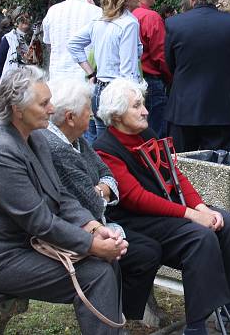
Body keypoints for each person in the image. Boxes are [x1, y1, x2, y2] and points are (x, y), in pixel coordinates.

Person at [0, 66, 125, 335]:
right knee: (96, 274)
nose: (51, 109)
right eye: (44, 103)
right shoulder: (2, 152)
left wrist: (93, 227)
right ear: (17, 110)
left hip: (23, 247)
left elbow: (61, 196)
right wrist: (93, 246)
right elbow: (40, 222)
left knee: (105, 265)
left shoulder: (35, 137)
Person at [93, 78, 230, 335]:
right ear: (117, 115)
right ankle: (196, 327)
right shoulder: (105, 149)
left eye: (143, 104)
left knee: (229, 222)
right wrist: (191, 214)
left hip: (166, 211)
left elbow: (176, 175)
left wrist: (202, 208)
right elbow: (136, 198)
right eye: (137, 106)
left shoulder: (146, 134)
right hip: (136, 221)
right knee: (200, 237)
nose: (146, 111)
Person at [43, 78, 162, 321]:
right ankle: (119, 315)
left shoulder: (75, 140)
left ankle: (125, 314)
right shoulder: (58, 148)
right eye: (88, 109)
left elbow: (106, 174)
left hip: (95, 222)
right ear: (70, 117)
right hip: (77, 231)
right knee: (143, 254)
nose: (93, 114)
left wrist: (100, 188)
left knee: (149, 249)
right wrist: (102, 191)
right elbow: (91, 202)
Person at [165, 0, 230, 152]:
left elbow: (170, 64)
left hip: (184, 106)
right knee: (217, 170)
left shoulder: (175, 24)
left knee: (182, 168)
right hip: (221, 107)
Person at [69, 0, 143, 143]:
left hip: (100, 90)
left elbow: (74, 44)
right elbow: (128, 72)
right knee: (122, 145)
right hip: (118, 93)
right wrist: (136, 101)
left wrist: (90, 73)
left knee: (104, 144)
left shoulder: (100, 21)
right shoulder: (129, 24)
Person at [42, 0, 103, 82]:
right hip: (87, 77)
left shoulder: (53, 11)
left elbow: (48, 42)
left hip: (58, 76)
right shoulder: (97, 12)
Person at [132, 0, 172, 138]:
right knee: (155, 134)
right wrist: (170, 78)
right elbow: (161, 55)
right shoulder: (151, 17)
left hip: (131, 80)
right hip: (152, 82)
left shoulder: (125, 15)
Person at [0, 8, 33, 96]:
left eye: (27, 17)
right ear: (15, 22)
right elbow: (0, 62)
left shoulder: (34, 38)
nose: (25, 20)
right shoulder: (8, 38)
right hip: (12, 82)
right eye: (22, 18)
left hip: (31, 81)